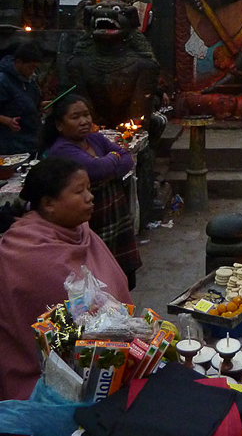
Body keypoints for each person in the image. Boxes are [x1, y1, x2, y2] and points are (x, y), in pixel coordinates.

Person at [0, 157, 132, 400]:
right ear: (49, 204)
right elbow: (65, 326)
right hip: (43, 379)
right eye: (79, 191)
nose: (90, 197)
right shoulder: (26, 252)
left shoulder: (81, 231)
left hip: (108, 359)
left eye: (89, 189)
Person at [45, 94, 142, 289]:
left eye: (86, 115)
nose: (84, 121)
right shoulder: (62, 149)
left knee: (121, 275)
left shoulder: (95, 138)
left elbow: (127, 159)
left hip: (114, 216)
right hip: (91, 221)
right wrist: (112, 160)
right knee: (98, 279)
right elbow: (97, 169)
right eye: (75, 117)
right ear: (59, 125)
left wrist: (107, 164)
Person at [0, 42, 43, 155]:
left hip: (30, 139)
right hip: (10, 144)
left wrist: (40, 106)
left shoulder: (29, 80)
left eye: (35, 67)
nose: (33, 71)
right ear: (18, 62)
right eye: (30, 67)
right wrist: (7, 121)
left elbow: (31, 103)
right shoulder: (3, 81)